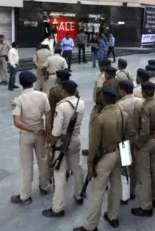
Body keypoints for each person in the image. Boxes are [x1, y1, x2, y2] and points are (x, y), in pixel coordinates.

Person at [73, 87, 133, 231]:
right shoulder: (123, 114)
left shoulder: (100, 118)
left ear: (103, 99)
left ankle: (90, 225)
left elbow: (93, 146)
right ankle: (113, 216)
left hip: (104, 157)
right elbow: (127, 138)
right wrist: (126, 160)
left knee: (98, 191)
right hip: (119, 153)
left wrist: (90, 164)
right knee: (116, 185)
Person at [43, 80, 85, 217]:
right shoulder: (81, 103)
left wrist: (51, 144)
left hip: (62, 143)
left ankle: (57, 207)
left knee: (59, 173)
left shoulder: (61, 107)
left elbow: (56, 132)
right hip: (76, 140)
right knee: (77, 168)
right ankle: (79, 195)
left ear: (65, 92)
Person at [10, 71, 51, 205]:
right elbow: (48, 116)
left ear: (21, 84)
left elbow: (17, 122)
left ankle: (25, 195)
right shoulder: (43, 96)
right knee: (43, 160)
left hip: (27, 134)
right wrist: (47, 132)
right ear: (33, 82)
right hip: (41, 132)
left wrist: (32, 129)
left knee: (27, 165)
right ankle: (44, 186)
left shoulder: (18, 100)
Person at [131, 82, 155, 217]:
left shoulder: (145, 107)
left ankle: (146, 206)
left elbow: (144, 131)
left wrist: (138, 144)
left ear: (144, 93)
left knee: (145, 175)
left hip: (147, 141)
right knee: (153, 170)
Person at [117, 80, 144, 200]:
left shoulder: (120, 105)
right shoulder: (141, 102)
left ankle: (125, 194)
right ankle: (132, 190)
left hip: (124, 140)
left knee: (124, 167)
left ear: (122, 91)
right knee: (134, 165)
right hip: (137, 137)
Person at [81, 59, 112, 157]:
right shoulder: (113, 75)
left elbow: (99, 91)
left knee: (93, 128)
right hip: (109, 104)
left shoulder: (101, 77)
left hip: (100, 106)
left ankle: (93, 150)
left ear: (101, 67)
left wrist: (100, 105)